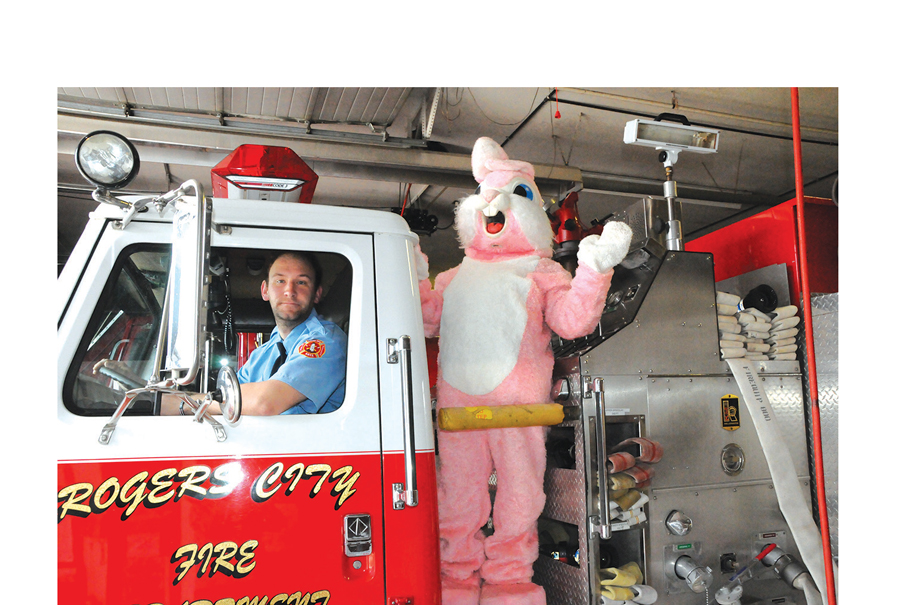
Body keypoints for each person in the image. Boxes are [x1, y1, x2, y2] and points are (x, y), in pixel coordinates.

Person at [163, 250, 347, 416]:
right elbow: (229, 396)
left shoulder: (327, 340)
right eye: (280, 281)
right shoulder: (261, 355)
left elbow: (264, 403)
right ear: (265, 290)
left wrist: (185, 404)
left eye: (301, 282)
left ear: (316, 294)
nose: (289, 291)